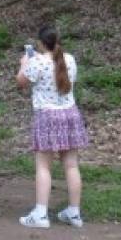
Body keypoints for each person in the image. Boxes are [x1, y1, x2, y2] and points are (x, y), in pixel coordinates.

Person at [16, 25, 88, 229]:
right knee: (72, 165)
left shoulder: (36, 62)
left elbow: (21, 82)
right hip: (70, 113)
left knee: (43, 166)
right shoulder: (70, 59)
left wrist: (23, 64)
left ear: (40, 43)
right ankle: (74, 213)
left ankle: (40, 214)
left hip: (47, 116)